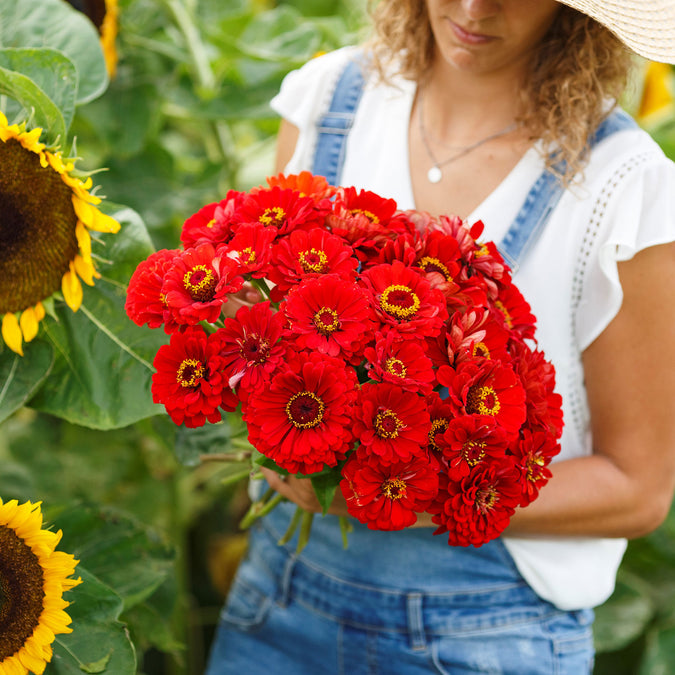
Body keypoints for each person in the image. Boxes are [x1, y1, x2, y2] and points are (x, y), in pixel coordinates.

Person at [206, 1, 675, 673]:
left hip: (482, 632)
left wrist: (395, 490)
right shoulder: (329, 100)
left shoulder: (620, 184)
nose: (471, 8)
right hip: (277, 598)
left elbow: (636, 488)